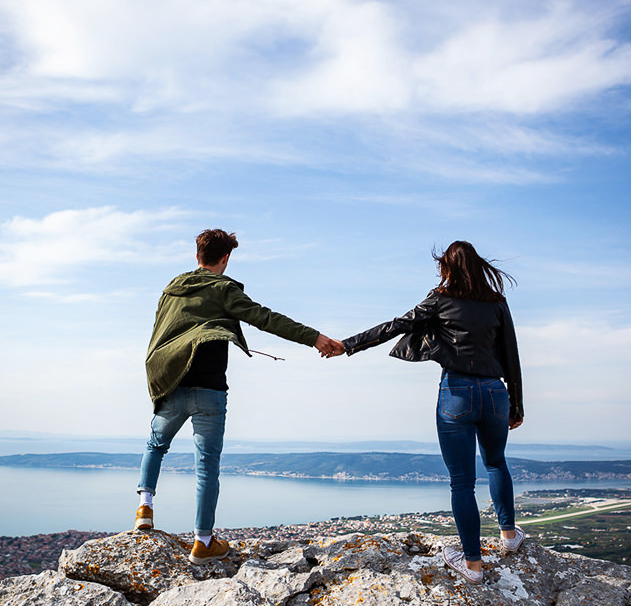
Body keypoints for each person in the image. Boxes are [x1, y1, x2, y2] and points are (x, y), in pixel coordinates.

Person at [135, 229, 342, 565]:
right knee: (207, 466)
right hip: (210, 390)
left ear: (197, 254)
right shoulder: (223, 289)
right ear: (226, 258)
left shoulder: (172, 290)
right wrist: (314, 337)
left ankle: (144, 506)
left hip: (172, 383)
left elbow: (160, 334)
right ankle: (203, 541)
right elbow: (266, 319)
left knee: (155, 445)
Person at [330, 241, 525, 584]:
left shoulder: (441, 299)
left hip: (457, 392)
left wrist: (348, 344)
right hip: (495, 392)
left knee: (462, 481)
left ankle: (473, 566)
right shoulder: (497, 303)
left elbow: (396, 325)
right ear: (479, 266)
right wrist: (517, 403)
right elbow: (511, 354)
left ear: (446, 268)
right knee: (496, 462)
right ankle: (509, 537)